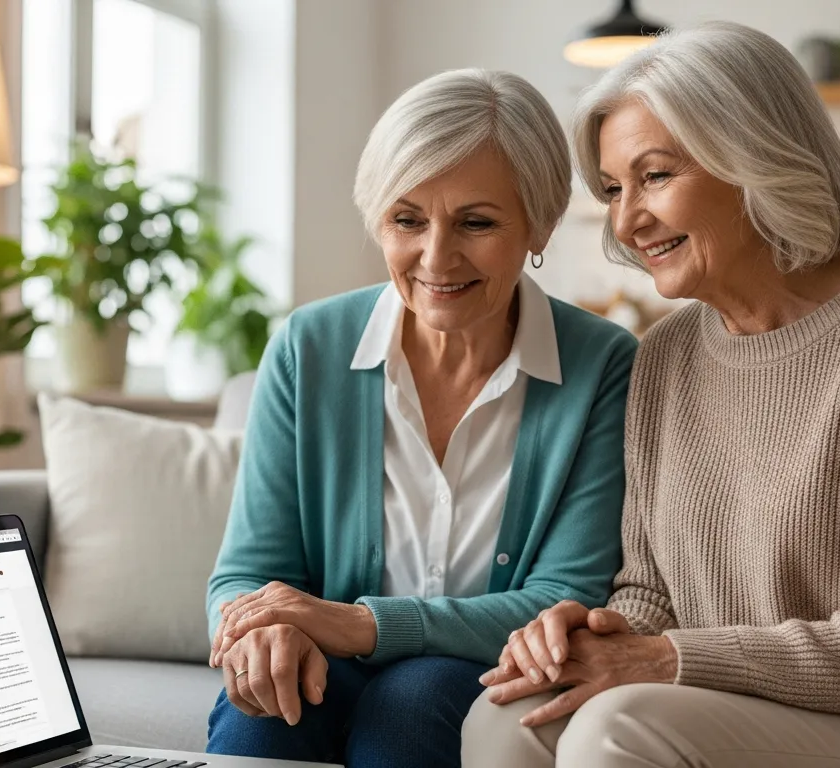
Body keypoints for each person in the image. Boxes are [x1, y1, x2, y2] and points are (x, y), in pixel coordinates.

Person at [465, 21, 840, 768]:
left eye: (655, 176)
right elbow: (652, 594)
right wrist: (602, 635)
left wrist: (662, 661)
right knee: (504, 719)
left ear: (751, 157)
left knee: (616, 730)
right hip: (745, 705)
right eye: (615, 189)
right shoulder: (663, 357)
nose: (627, 221)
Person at [204, 68, 639, 768]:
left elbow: (566, 595)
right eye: (407, 220)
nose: (436, 258)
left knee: (413, 696)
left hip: (472, 672)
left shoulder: (604, 365)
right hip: (324, 664)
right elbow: (246, 573)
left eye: (477, 222)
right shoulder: (306, 347)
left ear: (541, 222)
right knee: (265, 703)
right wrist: (259, 634)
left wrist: (358, 624)